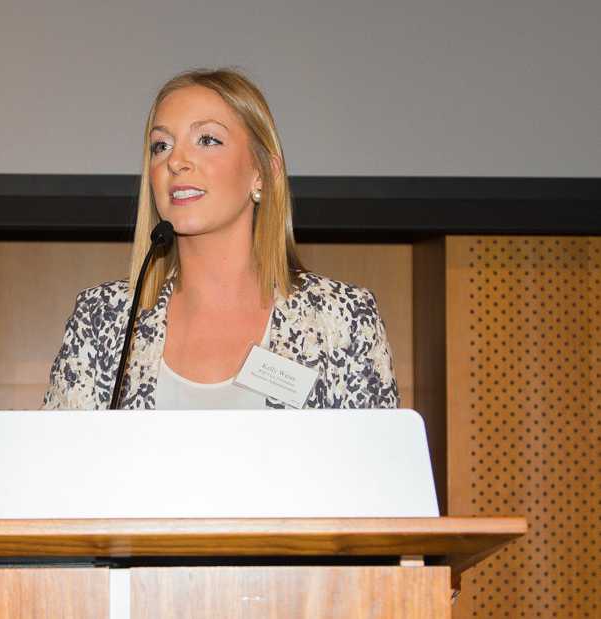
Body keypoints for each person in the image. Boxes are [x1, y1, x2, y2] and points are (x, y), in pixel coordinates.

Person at [43, 68, 398, 410]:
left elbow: (378, 469)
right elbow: (58, 466)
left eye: (207, 140)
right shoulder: (104, 318)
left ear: (262, 173)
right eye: (161, 145)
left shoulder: (342, 320)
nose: (177, 161)